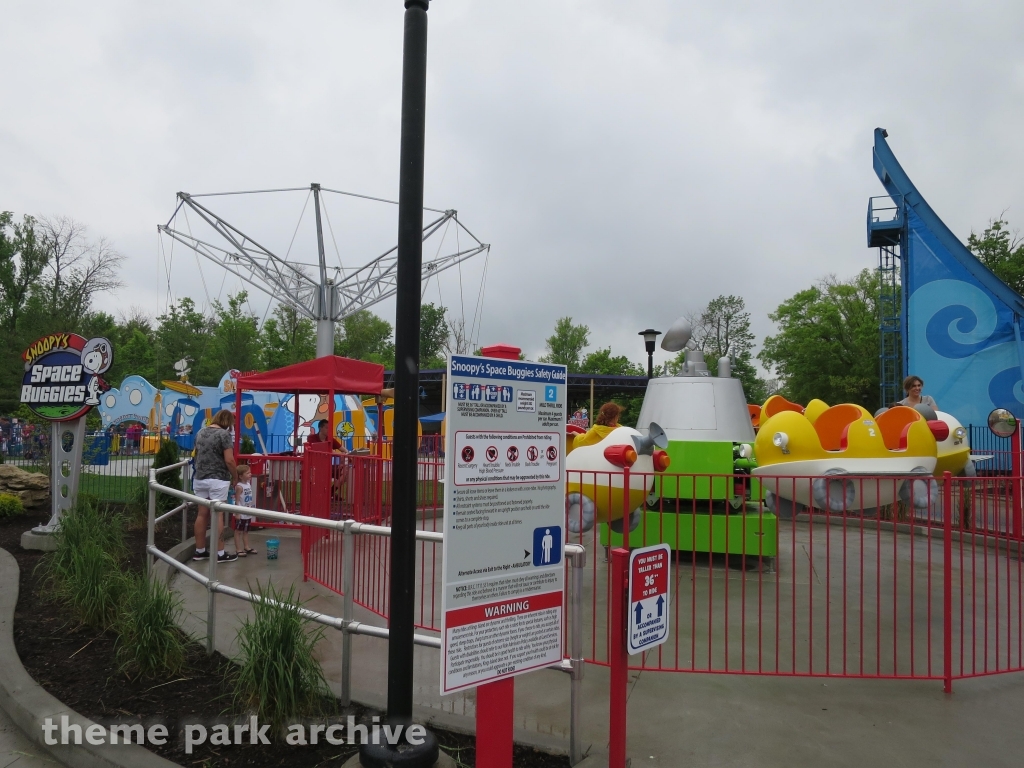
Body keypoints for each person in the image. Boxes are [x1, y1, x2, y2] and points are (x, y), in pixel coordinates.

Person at [192, 410, 239, 563]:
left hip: (200, 478)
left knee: (202, 514)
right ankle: (220, 553)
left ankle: (199, 551)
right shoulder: (223, 435)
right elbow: (229, 460)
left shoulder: (200, 432)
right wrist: (235, 476)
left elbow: (197, 453)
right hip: (218, 479)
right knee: (218, 515)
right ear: (227, 422)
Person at [232, 464, 258, 557]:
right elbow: (237, 500)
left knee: (246, 530)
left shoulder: (248, 484)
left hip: (248, 511)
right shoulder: (239, 487)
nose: (250, 474)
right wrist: (237, 513)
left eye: (250, 472)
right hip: (241, 512)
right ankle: (238, 549)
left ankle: (246, 547)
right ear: (241, 476)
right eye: (248, 473)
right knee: (238, 531)